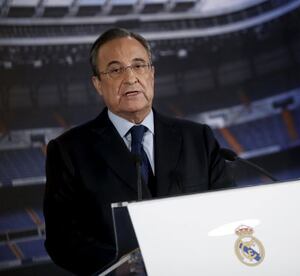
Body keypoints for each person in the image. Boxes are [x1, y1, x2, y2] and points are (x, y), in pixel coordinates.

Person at [43, 28, 233, 275]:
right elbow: (61, 240)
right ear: (98, 84)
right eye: (115, 69)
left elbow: (228, 213)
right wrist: (125, 266)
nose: (130, 77)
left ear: (151, 74)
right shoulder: (68, 151)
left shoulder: (199, 138)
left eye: (139, 65)